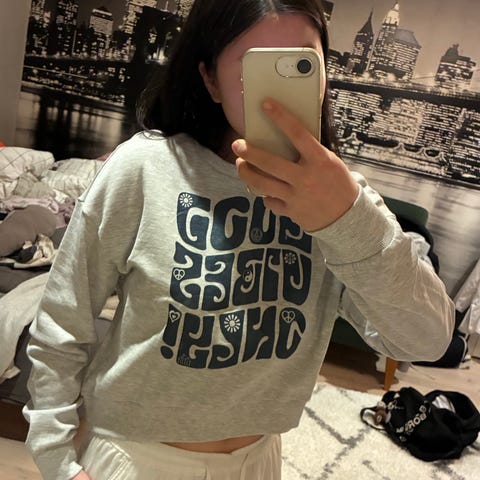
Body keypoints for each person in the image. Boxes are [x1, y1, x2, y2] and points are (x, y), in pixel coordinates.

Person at [23, 1, 454, 479]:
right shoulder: (146, 168)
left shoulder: (341, 202)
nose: (278, 95)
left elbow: (427, 340)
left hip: (259, 461)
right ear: (210, 79)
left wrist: (348, 219)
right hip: (136, 457)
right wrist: (57, 457)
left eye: (301, 64)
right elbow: (63, 317)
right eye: (257, 66)